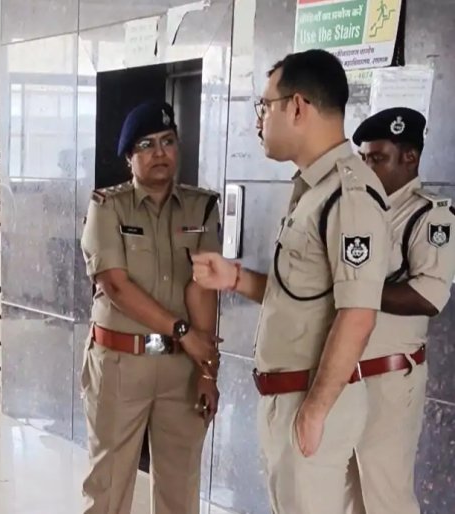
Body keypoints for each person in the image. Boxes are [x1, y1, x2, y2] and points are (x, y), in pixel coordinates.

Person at [191, 49, 392, 514]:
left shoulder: (350, 195)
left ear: (297, 106)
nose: (258, 120)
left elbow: (358, 314)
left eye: (265, 106)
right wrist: (235, 278)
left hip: (312, 398)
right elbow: (300, 294)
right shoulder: (313, 189)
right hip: (289, 397)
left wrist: (316, 410)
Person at [80, 100, 222, 514]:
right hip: (121, 363)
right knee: (107, 488)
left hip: (182, 367)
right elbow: (116, 285)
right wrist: (182, 332)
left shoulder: (201, 207)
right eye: (146, 145)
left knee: (180, 490)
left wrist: (207, 371)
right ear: (129, 156)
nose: (160, 152)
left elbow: (204, 288)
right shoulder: (108, 206)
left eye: (167, 141)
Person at [344, 108, 455, 514]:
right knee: (346, 496)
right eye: (364, 158)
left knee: (385, 495)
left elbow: (428, 297)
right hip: (346, 374)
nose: (367, 168)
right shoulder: (361, 209)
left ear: (410, 157)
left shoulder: (431, 216)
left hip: (390, 379)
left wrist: (354, 291)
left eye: (377, 158)